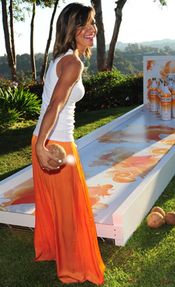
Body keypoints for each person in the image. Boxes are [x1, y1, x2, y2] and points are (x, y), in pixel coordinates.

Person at [31, 3, 105, 285]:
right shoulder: (73, 63)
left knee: (53, 205)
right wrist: (43, 148)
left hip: (43, 138)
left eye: (93, 23)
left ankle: (53, 251)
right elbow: (56, 104)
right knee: (69, 209)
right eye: (84, 24)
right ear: (70, 29)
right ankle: (73, 268)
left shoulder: (62, 57)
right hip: (56, 143)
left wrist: (39, 144)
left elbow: (53, 103)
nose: (91, 30)